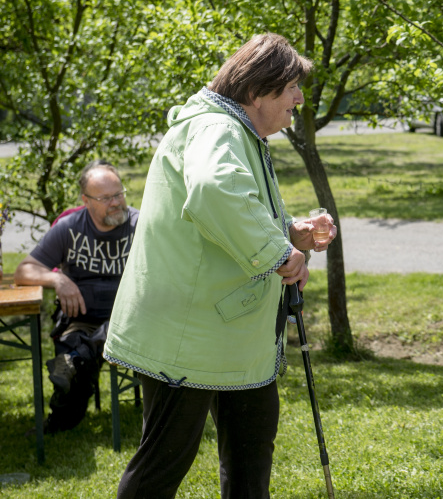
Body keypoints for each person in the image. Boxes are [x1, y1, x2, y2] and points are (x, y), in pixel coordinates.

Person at [103, 33, 335, 498]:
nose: (299, 99)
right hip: (189, 339)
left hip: (233, 340)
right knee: (160, 467)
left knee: (250, 462)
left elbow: (227, 213)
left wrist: (288, 232)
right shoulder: (218, 128)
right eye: (292, 87)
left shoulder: (233, 130)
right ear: (257, 91)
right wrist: (278, 254)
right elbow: (213, 191)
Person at [13, 160, 137, 434]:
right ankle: (63, 415)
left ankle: (75, 361)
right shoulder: (69, 227)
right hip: (82, 320)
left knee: (91, 345)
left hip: (130, 319)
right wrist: (58, 279)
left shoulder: (141, 226)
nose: (116, 203)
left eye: (119, 194)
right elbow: (24, 270)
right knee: (71, 344)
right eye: (105, 198)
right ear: (86, 201)